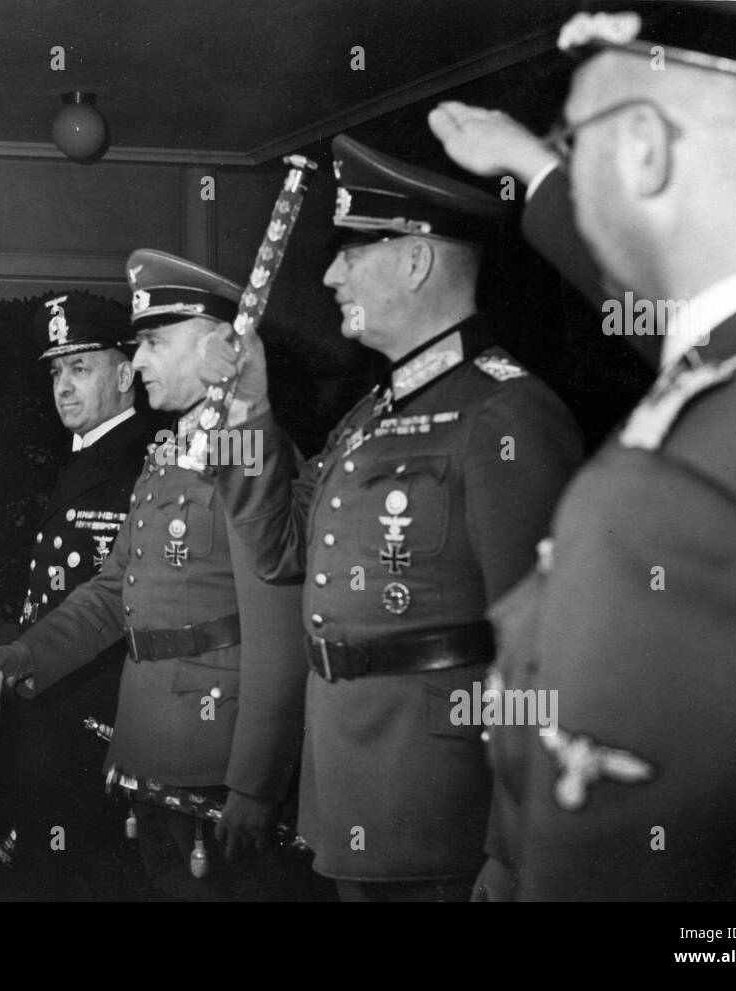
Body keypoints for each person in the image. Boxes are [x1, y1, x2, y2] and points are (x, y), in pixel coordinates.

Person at [433, 3, 736, 900]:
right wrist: (541, 167)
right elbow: (720, 344)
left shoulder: (676, 501)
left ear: (643, 152)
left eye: (575, 137)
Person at [193, 134, 583, 901]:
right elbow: (279, 547)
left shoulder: (506, 411)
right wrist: (248, 408)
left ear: (415, 261)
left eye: (354, 250)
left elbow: (547, 651)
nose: (332, 273)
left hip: (448, 809)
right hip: (347, 785)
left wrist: (516, 846)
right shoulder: (369, 414)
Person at [0, 250, 310, 900]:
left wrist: (257, 779)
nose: (141, 361)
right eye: (138, 343)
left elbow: (279, 627)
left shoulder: (257, 454)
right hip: (147, 749)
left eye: (154, 341)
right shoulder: (166, 453)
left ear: (220, 346)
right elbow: (110, 593)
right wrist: (22, 655)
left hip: (219, 765)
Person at [0, 292, 151, 898]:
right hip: (53, 699)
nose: (63, 384)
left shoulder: (146, 462)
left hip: (101, 712)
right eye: (57, 370)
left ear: (126, 373)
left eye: (80, 368)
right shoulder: (83, 458)